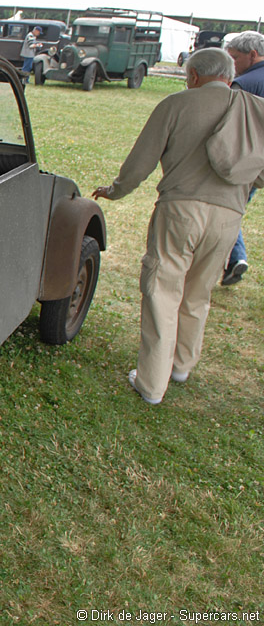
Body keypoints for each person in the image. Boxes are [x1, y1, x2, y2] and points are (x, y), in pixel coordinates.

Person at [92, 48, 264, 404]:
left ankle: (152, 384)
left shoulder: (176, 104)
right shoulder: (253, 109)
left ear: (194, 76)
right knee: (199, 292)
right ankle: (183, 365)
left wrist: (116, 191)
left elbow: (141, 162)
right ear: (228, 76)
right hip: (229, 216)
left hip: (180, 210)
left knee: (162, 290)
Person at [220, 31, 264, 285]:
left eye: (235, 58)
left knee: (228, 208)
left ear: (253, 55)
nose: (232, 63)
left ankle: (235, 259)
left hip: (243, 158)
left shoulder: (244, 84)